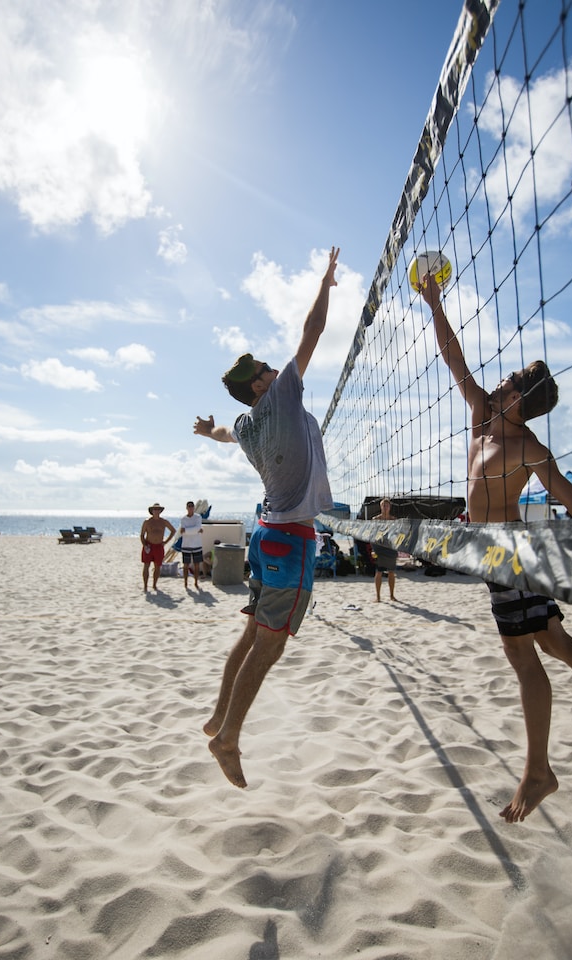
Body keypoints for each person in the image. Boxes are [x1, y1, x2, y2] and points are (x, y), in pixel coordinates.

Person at [420, 272, 572, 823]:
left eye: (505, 383)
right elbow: (453, 358)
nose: (495, 383)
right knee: (555, 642)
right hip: (495, 556)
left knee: (529, 655)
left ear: (517, 400)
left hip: (508, 556)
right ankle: (539, 771)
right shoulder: (482, 416)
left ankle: (537, 772)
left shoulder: (527, 446)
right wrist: (435, 303)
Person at [193, 245, 339, 788]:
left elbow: (230, 434)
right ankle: (228, 738)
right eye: (265, 371)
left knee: (254, 631)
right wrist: (325, 284)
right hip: (292, 540)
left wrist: (211, 433)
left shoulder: (250, 423)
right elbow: (314, 331)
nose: (275, 369)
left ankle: (218, 714)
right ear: (260, 384)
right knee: (270, 644)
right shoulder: (280, 396)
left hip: (266, 536)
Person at [140, 503, 176, 593]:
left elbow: (173, 530)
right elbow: (142, 535)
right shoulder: (147, 521)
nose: (156, 511)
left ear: (160, 511)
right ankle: (145, 586)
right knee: (146, 566)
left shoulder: (163, 521)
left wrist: (165, 542)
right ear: (152, 511)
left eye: (158, 509)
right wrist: (144, 545)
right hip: (149, 545)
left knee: (157, 566)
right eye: (155, 509)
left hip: (159, 546)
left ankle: (154, 585)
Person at [372, 498, 398, 601]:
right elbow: (372, 536)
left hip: (391, 547)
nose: (385, 507)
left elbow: (397, 535)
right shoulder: (375, 520)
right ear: (380, 507)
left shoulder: (394, 520)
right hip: (379, 547)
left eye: (387, 505)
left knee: (391, 572)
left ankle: (392, 595)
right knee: (379, 572)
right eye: (383, 505)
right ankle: (378, 596)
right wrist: (373, 549)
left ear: (390, 507)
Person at [180, 501, 204, 588]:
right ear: (186, 508)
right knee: (185, 565)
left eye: (192, 506)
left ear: (194, 508)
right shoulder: (183, 519)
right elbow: (183, 532)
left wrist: (186, 530)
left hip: (196, 544)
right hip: (186, 545)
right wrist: (195, 530)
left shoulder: (198, 517)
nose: (190, 508)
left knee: (197, 564)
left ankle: (196, 582)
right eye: (189, 506)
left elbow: (196, 528)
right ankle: (185, 582)